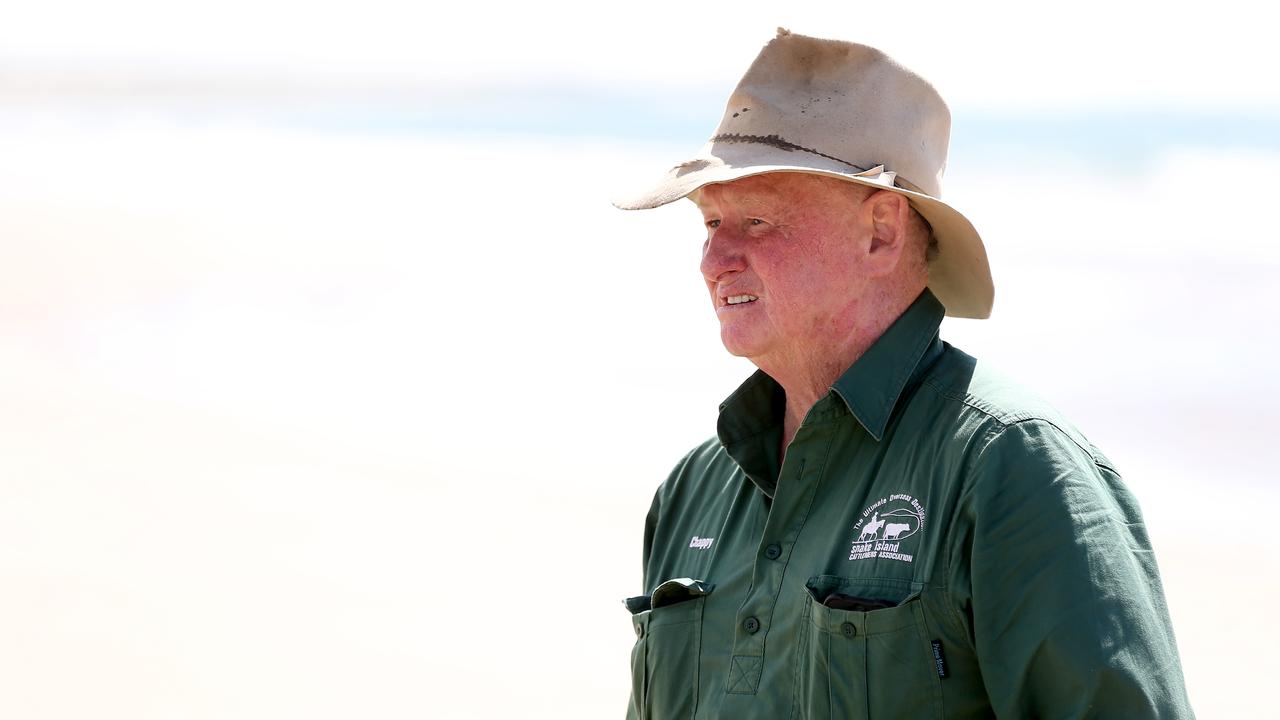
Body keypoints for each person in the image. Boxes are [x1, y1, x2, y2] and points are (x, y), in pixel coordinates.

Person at [613, 29, 1193, 719]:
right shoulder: (693, 488)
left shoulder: (1011, 467)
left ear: (882, 232)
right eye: (709, 223)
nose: (713, 261)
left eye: (756, 220)